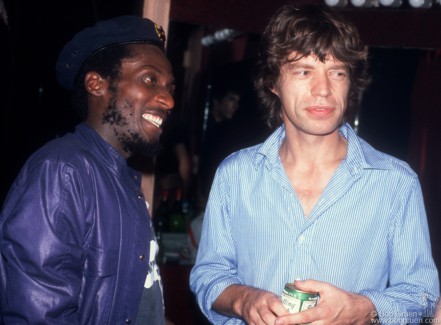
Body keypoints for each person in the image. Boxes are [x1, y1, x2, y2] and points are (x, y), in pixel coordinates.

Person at [189, 2, 439, 325]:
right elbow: (208, 274)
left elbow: (423, 296)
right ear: (273, 83)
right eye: (304, 71)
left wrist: (363, 308)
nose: (323, 90)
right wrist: (244, 299)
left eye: (337, 73)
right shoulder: (235, 175)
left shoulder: (395, 182)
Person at [0, 15, 175, 324]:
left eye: (169, 86)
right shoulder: (61, 173)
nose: (169, 100)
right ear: (97, 84)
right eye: (150, 79)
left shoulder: (122, 179)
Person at [197, 76, 242, 203]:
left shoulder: (229, 132)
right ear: (217, 101)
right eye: (231, 99)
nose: (235, 106)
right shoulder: (201, 125)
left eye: (237, 101)